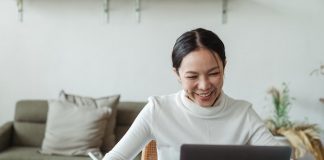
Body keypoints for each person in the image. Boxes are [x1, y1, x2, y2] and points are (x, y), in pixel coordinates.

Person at [102, 28, 279, 160]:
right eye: (192, 76)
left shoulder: (243, 114)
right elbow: (117, 157)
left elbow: (280, 157)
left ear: (224, 67)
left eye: (213, 73)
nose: (204, 86)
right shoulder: (158, 110)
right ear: (177, 74)